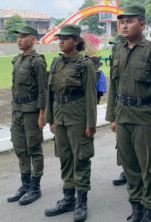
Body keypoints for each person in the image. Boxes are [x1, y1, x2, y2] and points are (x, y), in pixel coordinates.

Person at [106, 5, 151, 222]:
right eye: (122, 22)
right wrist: (112, 117)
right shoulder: (118, 50)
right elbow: (113, 86)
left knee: (150, 166)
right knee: (130, 166)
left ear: (142, 24)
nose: (124, 26)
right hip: (123, 116)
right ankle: (137, 206)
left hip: (146, 117)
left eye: (129, 21)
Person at [44, 24, 97, 222]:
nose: (61, 41)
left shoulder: (85, 64)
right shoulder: (56, 63)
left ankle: (81, 201)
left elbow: (91, 96)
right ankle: (68, 198)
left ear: (76, 41)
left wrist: (91, 123)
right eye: (59, 38)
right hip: (60, 116)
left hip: (78, 116)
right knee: (65, 157)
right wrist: (50, 119)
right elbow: (51, 93)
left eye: (66, 38)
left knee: (80, 157)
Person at [7, 25, 47, 205]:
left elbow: (43, 90)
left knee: (34, 149)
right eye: (18, 37)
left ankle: (35, 187)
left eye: (23, 37)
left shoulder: (37, 61)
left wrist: (42, 115)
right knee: (20, 148)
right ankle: (25, 184)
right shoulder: (17, 60)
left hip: (31, 111)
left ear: (33, 39)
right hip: (17, 111)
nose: (19, 40)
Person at [108, 34, 128, 187]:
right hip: (120, 108)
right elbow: (113, 91)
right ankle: (126, 171)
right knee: (122, 144)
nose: (113, 49)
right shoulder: (115, 62)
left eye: (116, 45)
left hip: (138, 111)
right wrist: (111, 117)